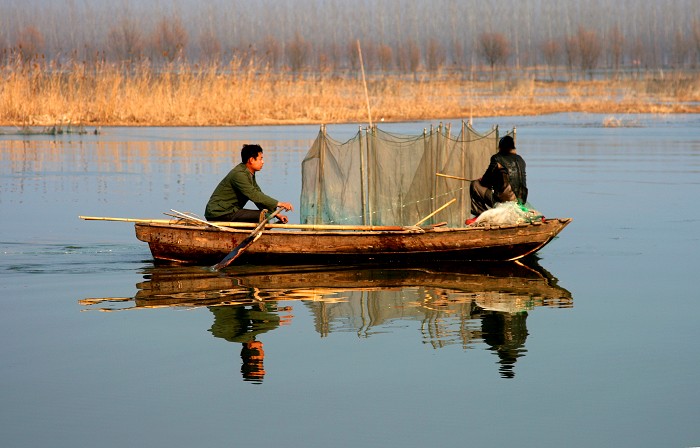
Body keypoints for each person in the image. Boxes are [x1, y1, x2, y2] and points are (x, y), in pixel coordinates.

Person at [205, 144, 293, 223]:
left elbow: (258, 197)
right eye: (260, 159)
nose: (263, 162)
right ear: (251, 160)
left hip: (230, 211)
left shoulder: (249, 173)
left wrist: (276, 215)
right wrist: (280, 203)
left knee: (264, 216)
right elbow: (254, 195)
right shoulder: (239, 174)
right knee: (262, 216)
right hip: (219, 213)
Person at [469, 135, 528, 218]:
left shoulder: (497, 158)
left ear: (500, 147)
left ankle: (481, 215)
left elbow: (485, 182)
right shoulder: (520, 159)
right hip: (521, 200)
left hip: (504, 201)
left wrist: (483, 181)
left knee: (475, 184)